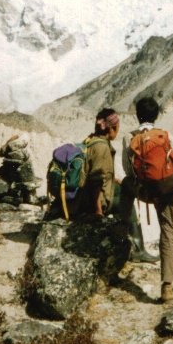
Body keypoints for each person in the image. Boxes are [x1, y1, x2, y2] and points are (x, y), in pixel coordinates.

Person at [68, 108, 159, 263]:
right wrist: (98, 211)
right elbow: (97, 180)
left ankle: (123, 236)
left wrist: (113, 180)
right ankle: (138, 249)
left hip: (84, 195)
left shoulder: (91, 140)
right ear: (111, 128)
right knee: (128, 198)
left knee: (121, 188)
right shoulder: (102, 148)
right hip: (94, 200)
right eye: (117, 128)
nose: (118, 131)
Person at [120, 96, 173, 303]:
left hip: (146, 191)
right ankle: (167, 286)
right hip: (167, 190)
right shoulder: (166, 135)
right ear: (156, 116)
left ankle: (123, 232)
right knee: (168, 232)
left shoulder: (128, 138)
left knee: (124, 185)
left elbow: (127, 169)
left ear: (137, 115)